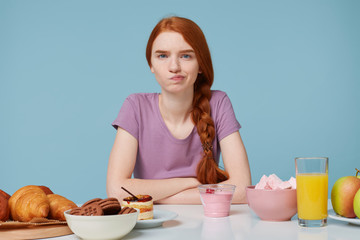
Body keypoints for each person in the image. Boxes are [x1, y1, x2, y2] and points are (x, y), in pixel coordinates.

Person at [106, 16, 251, 204]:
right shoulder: (135, 107)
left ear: (200, 64)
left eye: (186, 56)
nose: (174, 67)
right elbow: (117, 191)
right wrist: (190, 183)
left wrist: (154, 197)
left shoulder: (218, 102)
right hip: (152, 228)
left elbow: (242, 190)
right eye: (162, 56)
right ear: (151, 64)